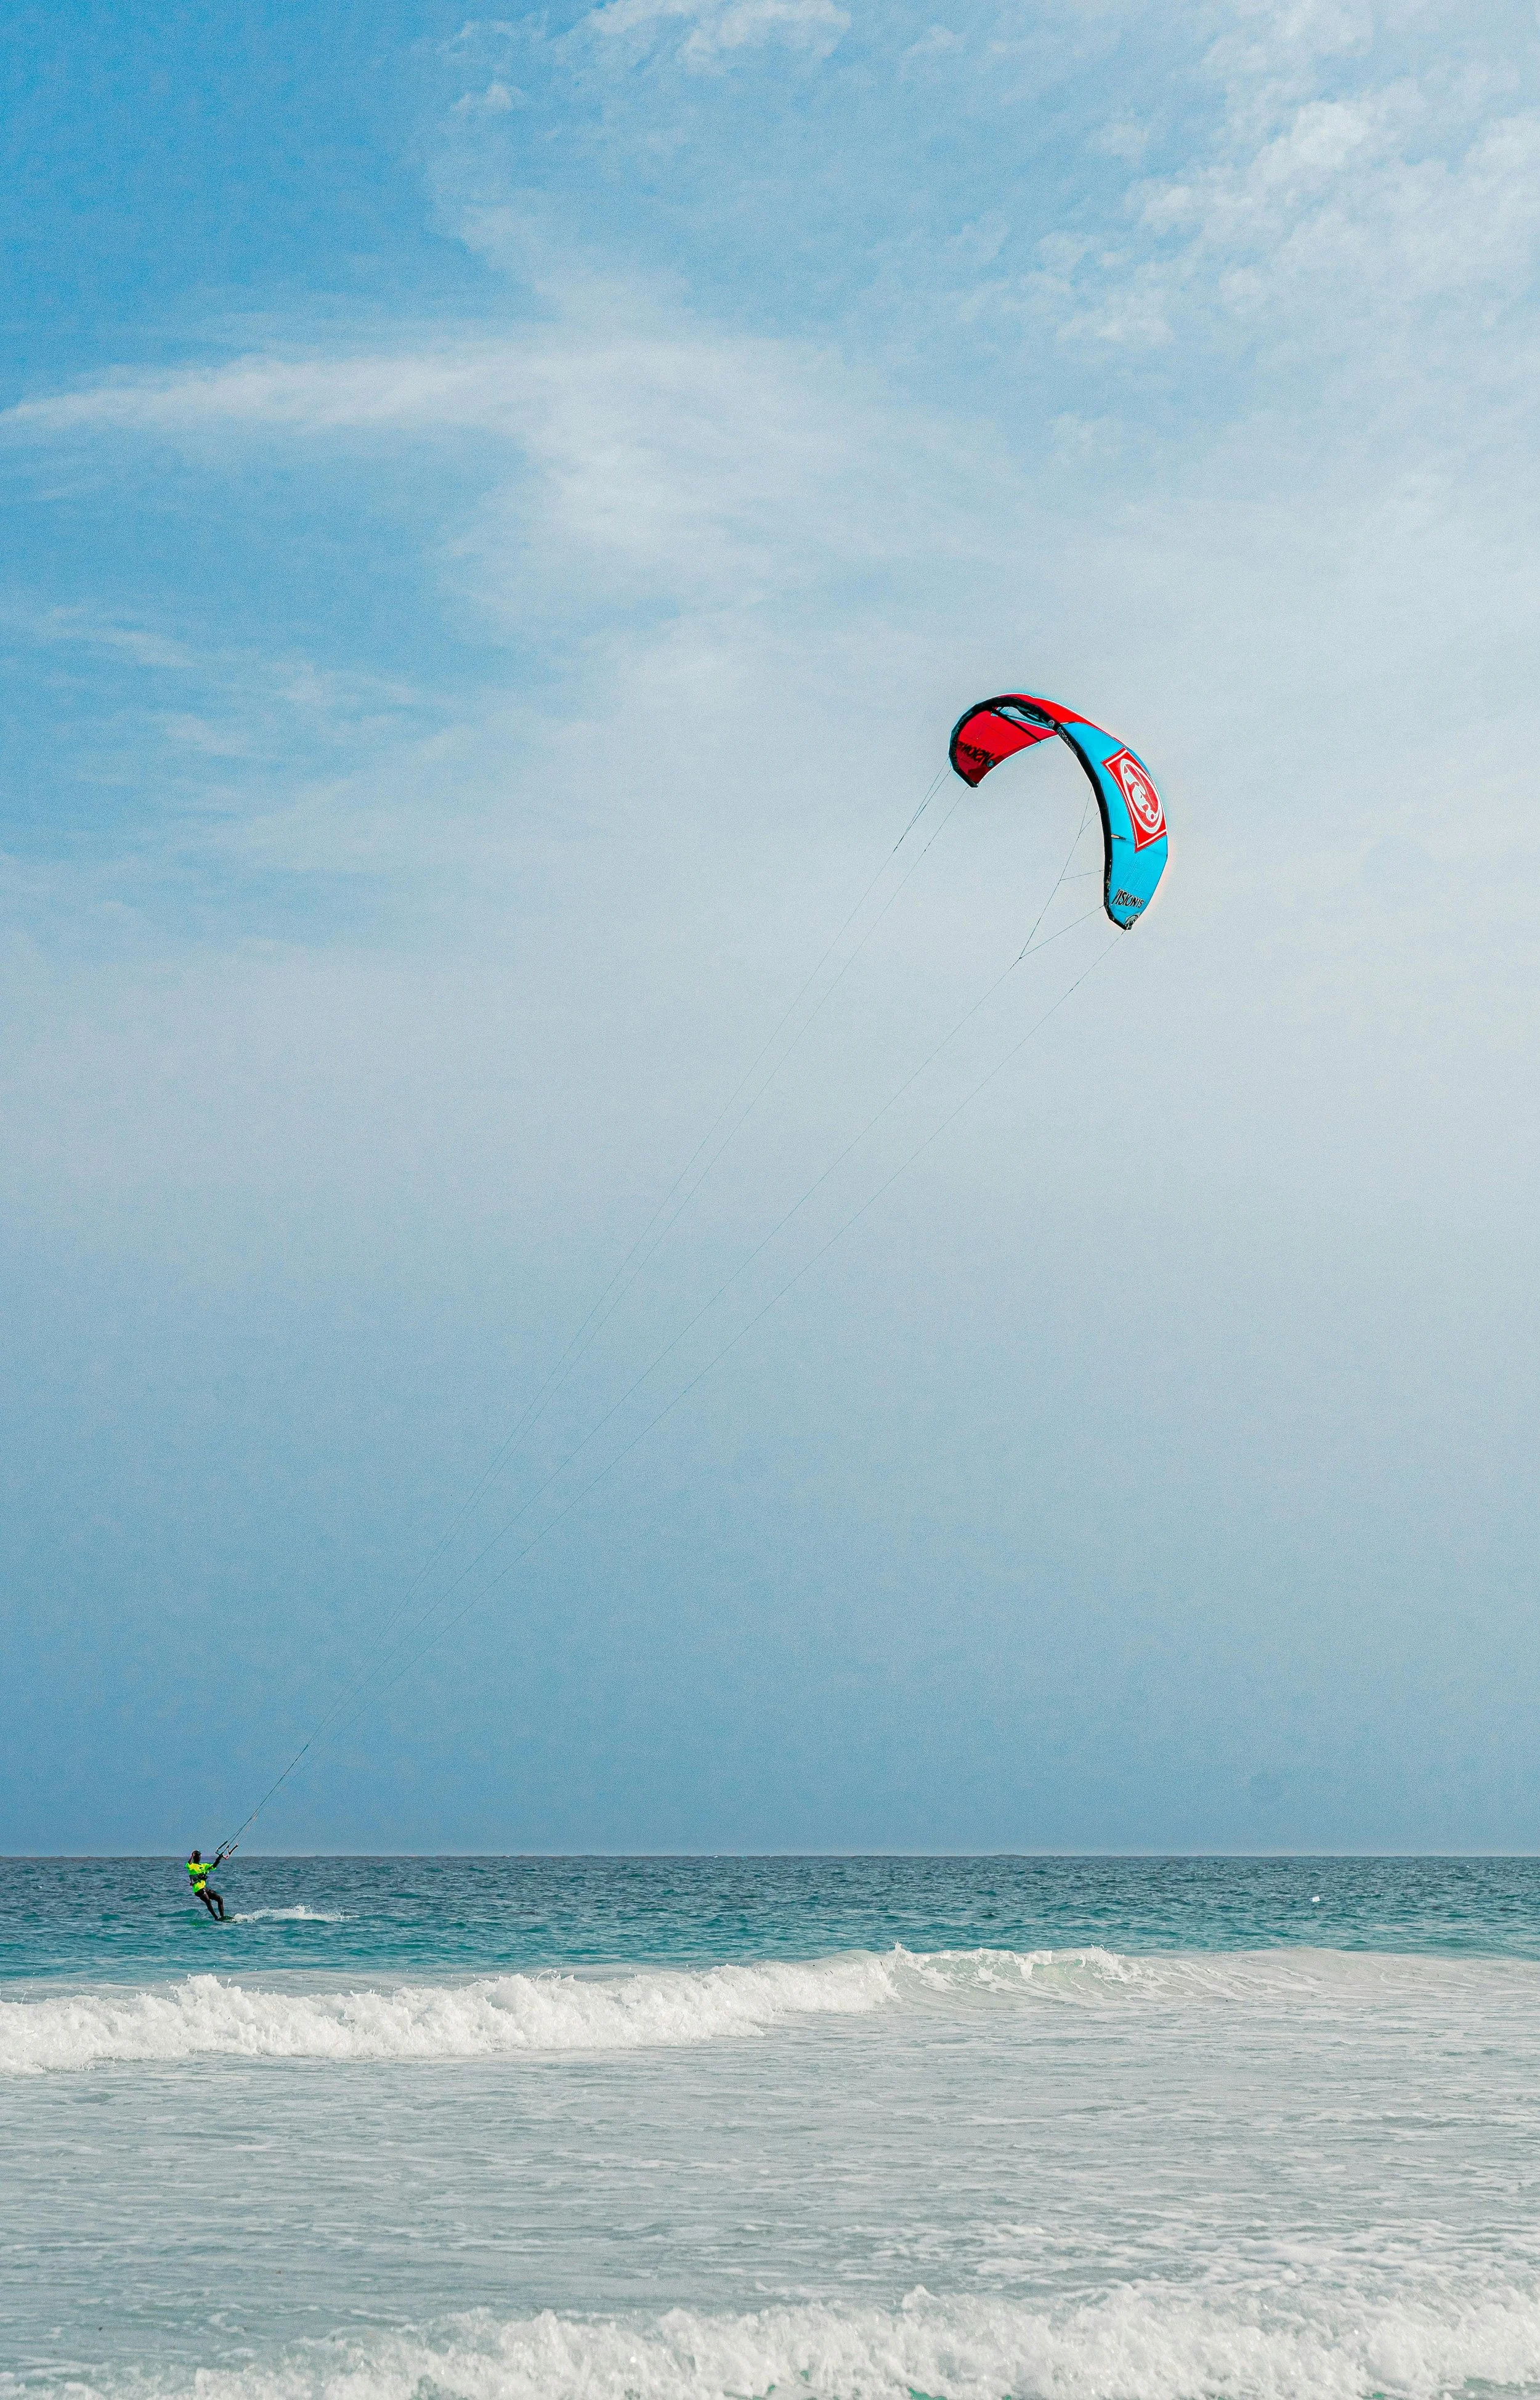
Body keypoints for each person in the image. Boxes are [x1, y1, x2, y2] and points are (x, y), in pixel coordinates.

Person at [187, 1849, 227, 1920]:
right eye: (197, 1855)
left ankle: (222, 1917)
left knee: (220, 1899)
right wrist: (192, 1856)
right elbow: (187, 1865)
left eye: (199, 1855)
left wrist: (219, 1858)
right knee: (208, 1901)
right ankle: (216, 1917)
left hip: (204, 1888)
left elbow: (213, 1867)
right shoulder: (191, 1866)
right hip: (198, 1889)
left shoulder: (204, 1866)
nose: (199, 1857)